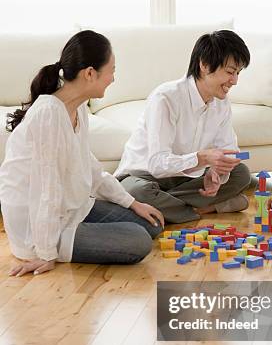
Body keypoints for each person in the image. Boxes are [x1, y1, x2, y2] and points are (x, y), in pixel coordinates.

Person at [0, 30, 164, 277]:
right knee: (139, 241)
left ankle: (86, 232)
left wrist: (133, 203)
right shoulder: (48, 113)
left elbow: (90, 166)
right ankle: (56, 245)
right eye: (112, 70)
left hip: (69, 209)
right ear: (90, 73)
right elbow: (47, 188)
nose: (113, 78)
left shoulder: (78, 110)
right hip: (37, 227)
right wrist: (44, 252)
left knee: (150, 224)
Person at [115, 30, 252, 224]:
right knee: (137, 192)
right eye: (230, 72)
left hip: (185, 179)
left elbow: (228, 151)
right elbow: (157, 164)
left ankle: (161, 210)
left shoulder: (222, 104)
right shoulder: (166, 98)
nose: (235, 81)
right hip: (144, 176)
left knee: (241, 174)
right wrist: (201, 158)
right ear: (204, 65)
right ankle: (206, 208)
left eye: (238, 73)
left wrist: (217, 172)